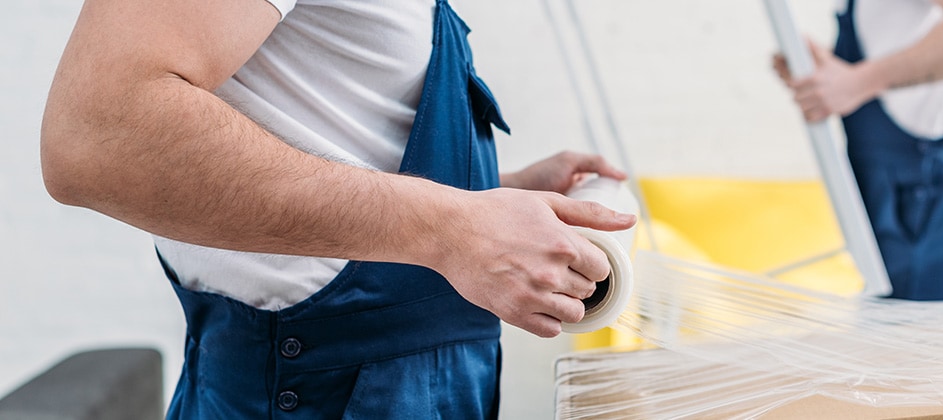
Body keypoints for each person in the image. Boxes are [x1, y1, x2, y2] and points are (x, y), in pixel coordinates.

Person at [41, 0, 634, 417]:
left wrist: (487, 195)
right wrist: (453, 228)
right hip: (320, 392)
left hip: (422, 385)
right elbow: (96, 136)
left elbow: (323, 120)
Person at [775, 0, 943, 300]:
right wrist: (829, 79)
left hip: (926, 202)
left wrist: (858, 82)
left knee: (919, 339)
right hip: (891, 191)